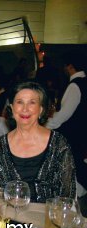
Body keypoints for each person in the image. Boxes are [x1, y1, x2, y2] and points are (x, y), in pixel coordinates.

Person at [0, 81, 76, 203]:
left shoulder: (59, 144)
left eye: (32, 102)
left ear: (41, 109)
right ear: (12, 108)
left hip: (49, 218)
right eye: (20, 102)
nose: (25, 109)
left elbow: (67, 196)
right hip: (11, 219)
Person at [46, 51, 87, 190]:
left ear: (69, 66)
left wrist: (45, 125)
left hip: (75, 135)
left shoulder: (75, 86)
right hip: (82, 133)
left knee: (77, 170)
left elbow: (64, 115)